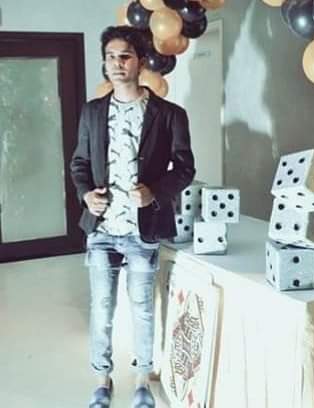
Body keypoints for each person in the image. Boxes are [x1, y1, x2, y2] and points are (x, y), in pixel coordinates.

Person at [70, 25, 195, 408]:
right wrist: (85, 194)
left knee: (142, 308)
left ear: (140, 61)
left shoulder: (170, 114)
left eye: (124, 56)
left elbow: (185, 169)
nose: (116, 63)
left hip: (143, 229)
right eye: (110, 57)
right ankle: (102, 380)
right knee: (101, 308)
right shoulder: (92, 112)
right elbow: (79, 163)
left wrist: (154, 191)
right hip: (102, 229)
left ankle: (142, 380)